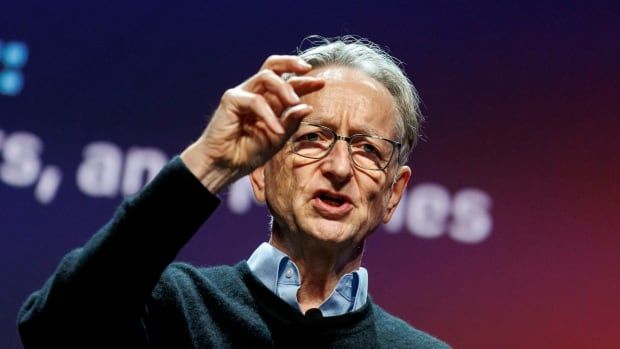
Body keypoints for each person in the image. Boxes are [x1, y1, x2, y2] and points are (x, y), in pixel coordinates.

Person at [17, 36, 451, 348]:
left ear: (394, 193)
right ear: (260, 172)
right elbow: (52, 327)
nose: (339, 168)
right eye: (313, 138)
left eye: (366, 148)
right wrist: (209, 162)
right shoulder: (173, 307)